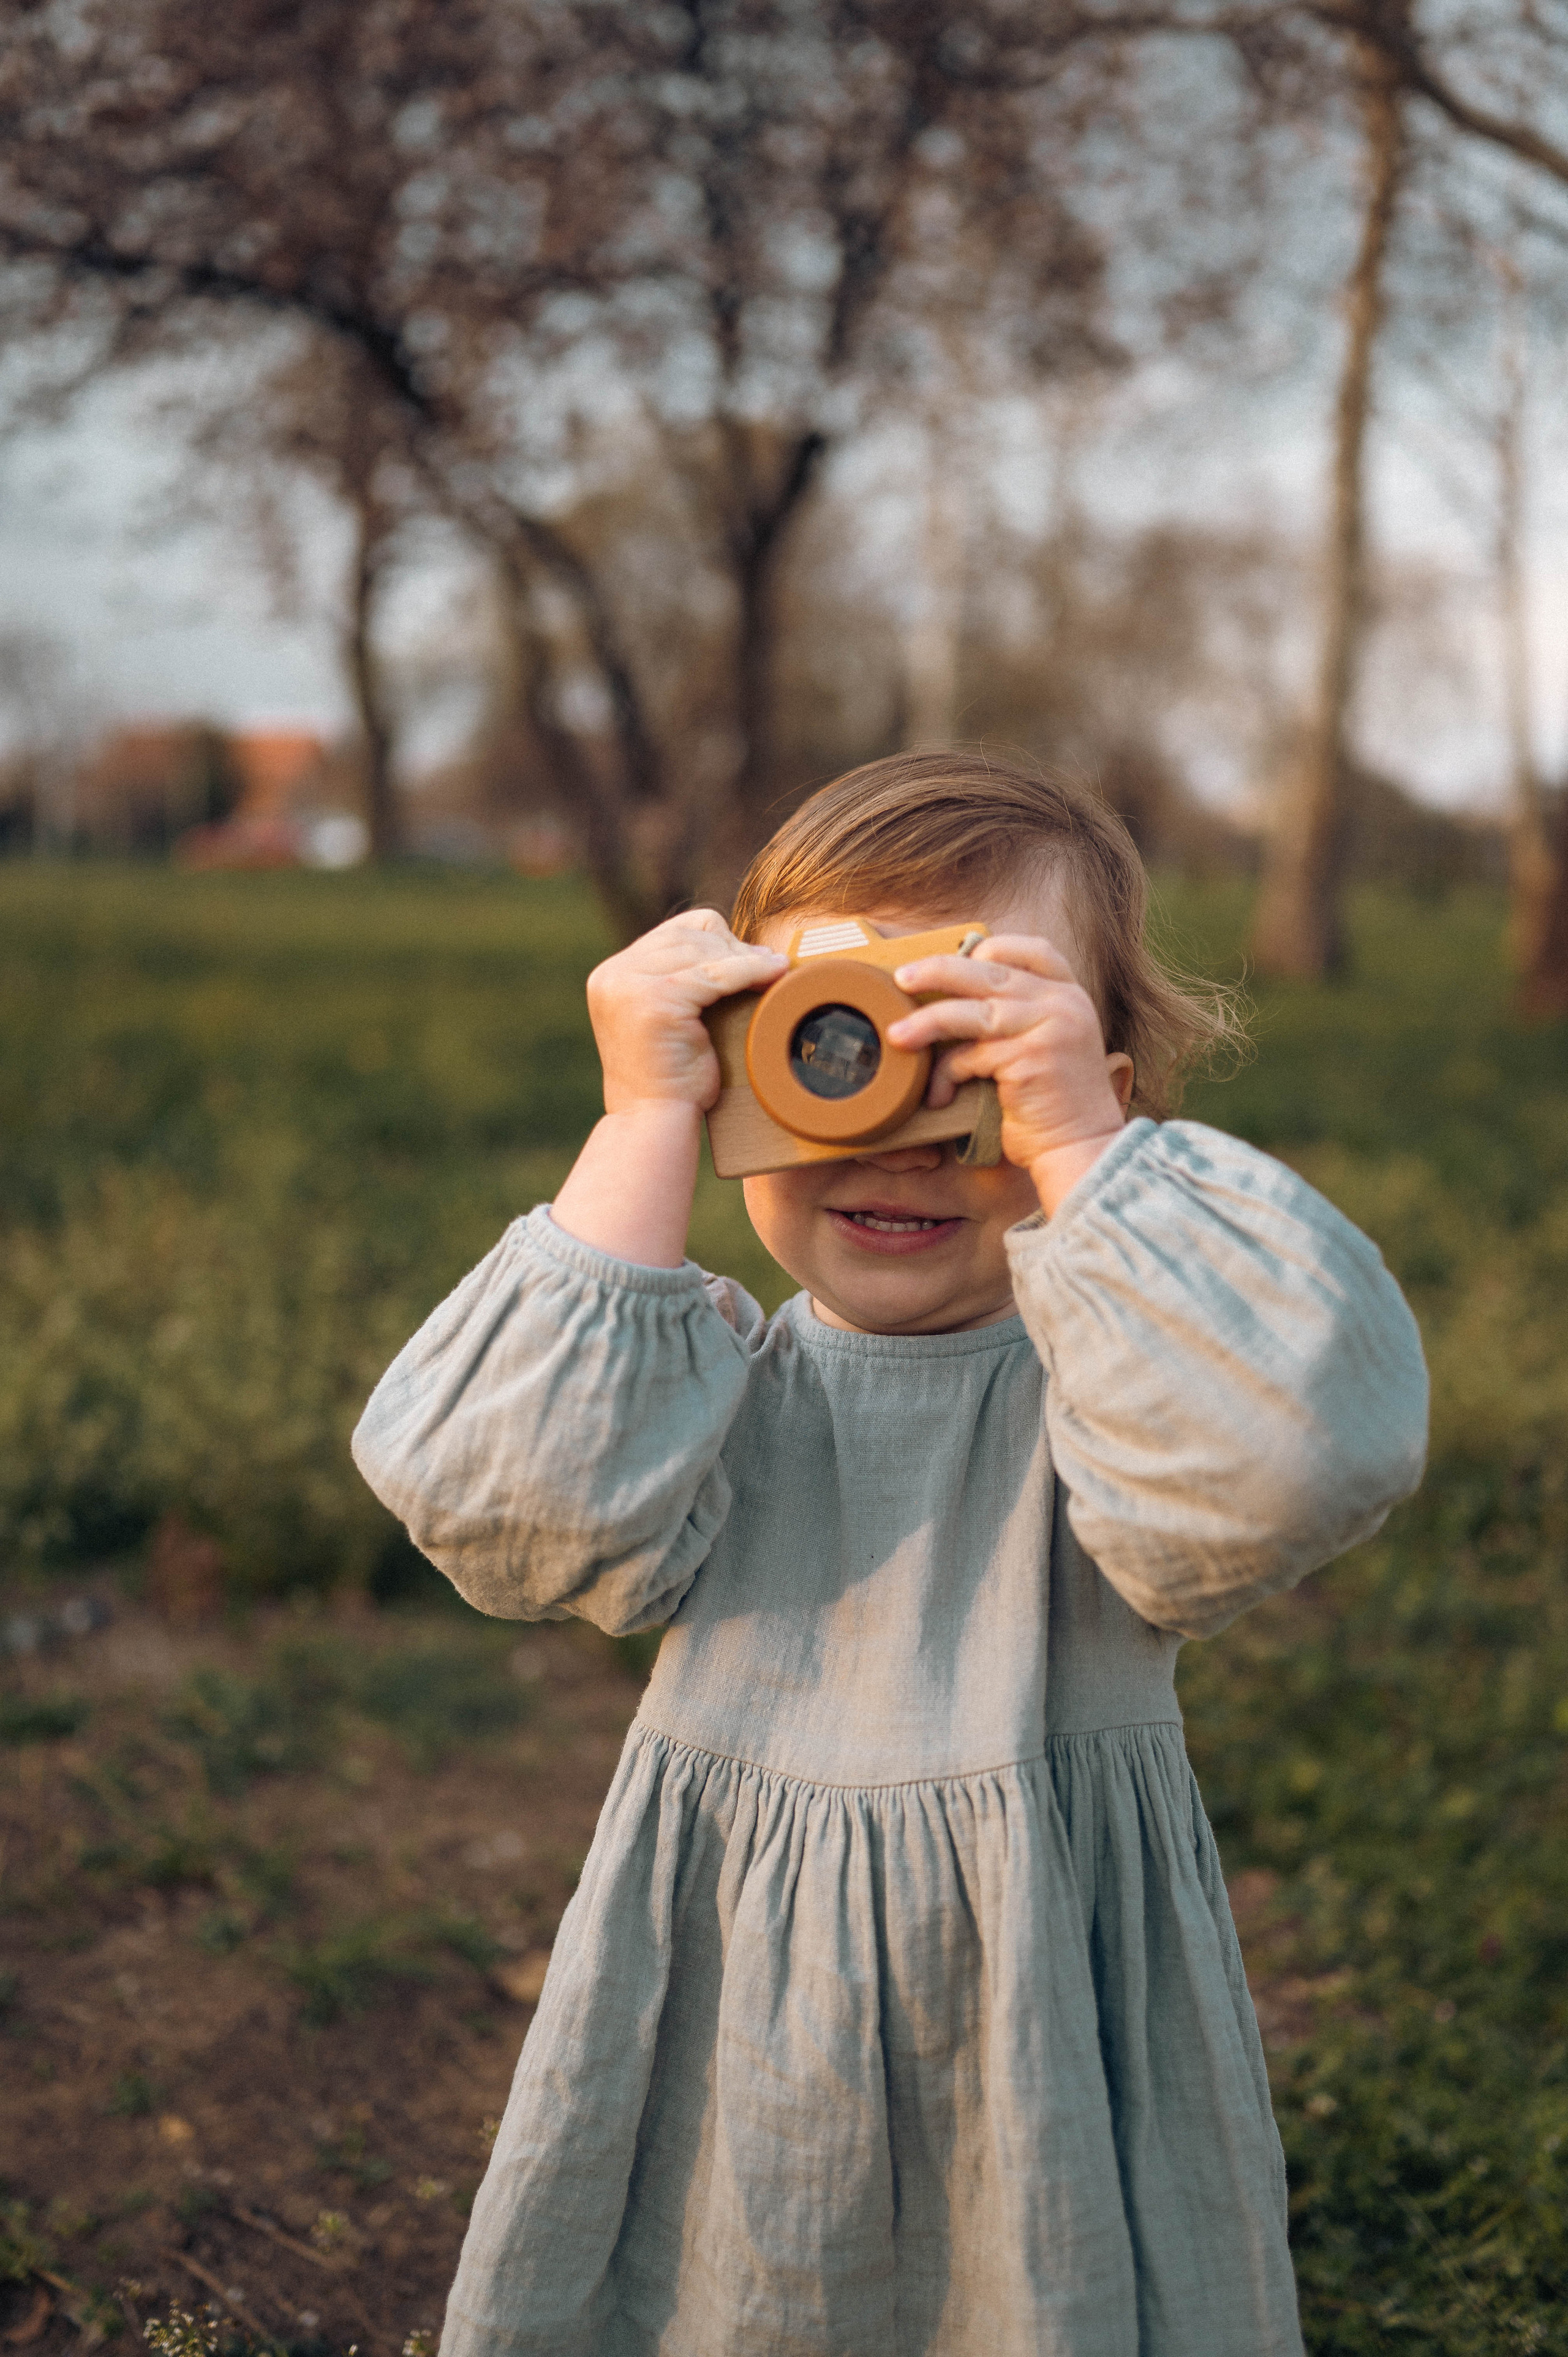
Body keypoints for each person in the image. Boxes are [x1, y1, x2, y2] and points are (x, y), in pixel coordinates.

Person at [352, 753, 1428, 2357]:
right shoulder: (694, 1383)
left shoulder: (1119, 1391)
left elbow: (1285, 1460)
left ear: (1111, 1093)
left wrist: (1072, 1147)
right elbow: (503, 1507)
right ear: (736, 1067)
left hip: (1045, 2019)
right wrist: (643, 1119)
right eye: (834, 1043)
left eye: (976, 1052)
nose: (907, 1129)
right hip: (741, 2026)